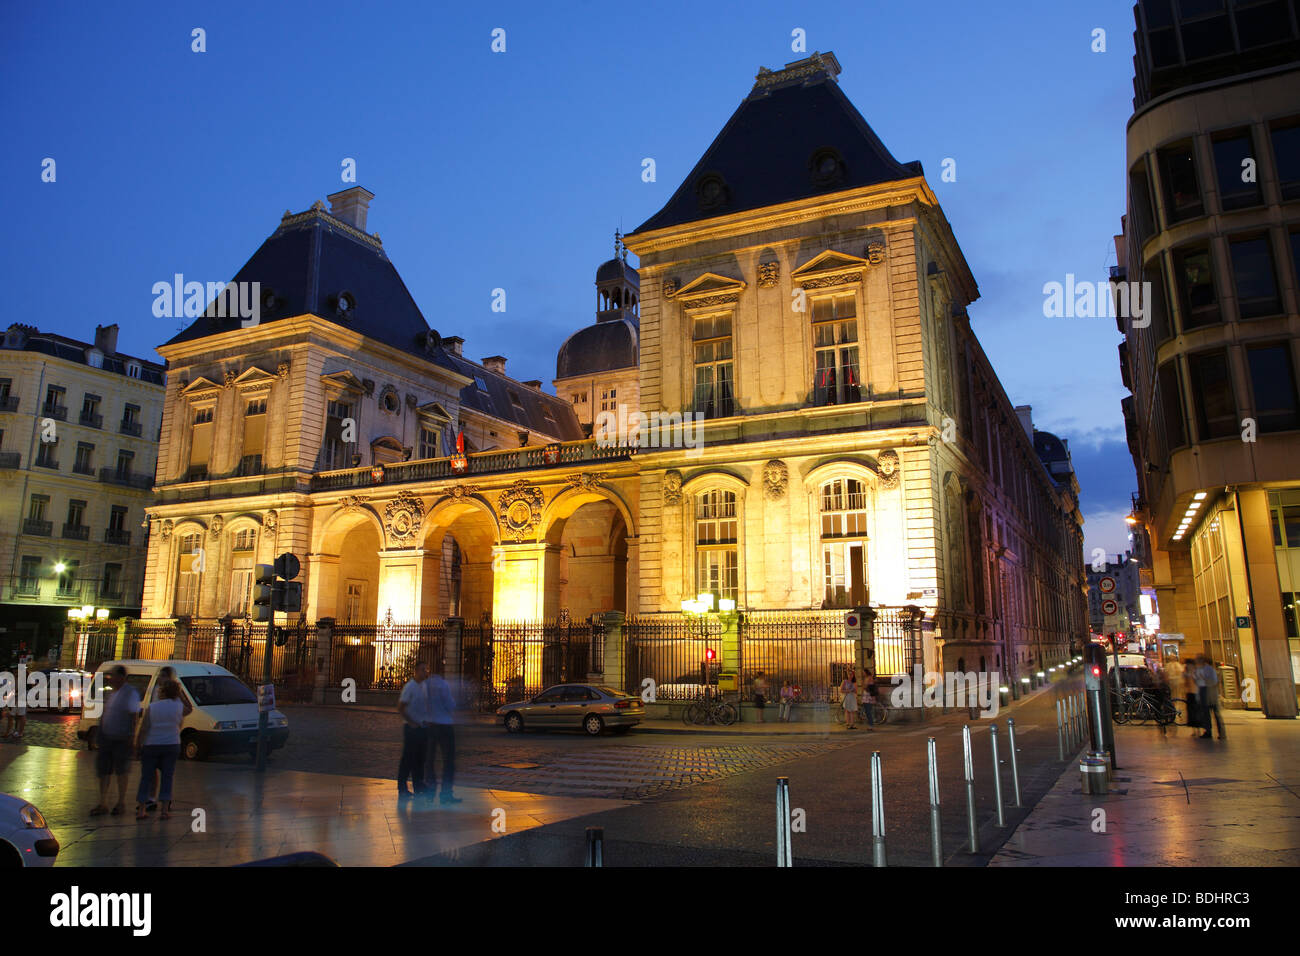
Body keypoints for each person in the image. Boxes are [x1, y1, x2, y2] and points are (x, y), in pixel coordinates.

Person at [91, 666, 141, 816]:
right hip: (107, 737)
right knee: (103, 771)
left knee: (121, 771)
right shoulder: (112, 692)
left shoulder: (130, 693)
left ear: (121, 677)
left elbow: (134, 716)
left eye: (112, 676)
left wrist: (132, 737)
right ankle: (103, 802)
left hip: (121, 738)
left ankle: (121, 802)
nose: (110, 678)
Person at [144, 667, 193, 811]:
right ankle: (152, 798)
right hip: (154, 736)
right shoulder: (155, 690)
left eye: (163, 676)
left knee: (166, 773)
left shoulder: (175, 693)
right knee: (152, 771)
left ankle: (165, 799)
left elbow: (188, 708)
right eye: (160, 675)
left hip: (169, 738)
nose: (160, 678)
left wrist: (175, 716)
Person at [135, 680, 185, 820]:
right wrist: (179, 695)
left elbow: (144, 728)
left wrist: (138, 744)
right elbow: (182, 720)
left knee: (146, 777)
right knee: (167, 778)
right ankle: (164, 810)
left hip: (152, 744)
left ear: (162, 692)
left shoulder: (153, 706)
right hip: (172, 744)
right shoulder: (179, 706)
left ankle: (142, 810)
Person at [424, 663, 461, 804]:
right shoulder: (443, 685)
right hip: (444, 725)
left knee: (429, 760)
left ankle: (430, 790)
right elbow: (450, 704)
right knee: (448, 761)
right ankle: (446, 794)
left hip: (430, 725)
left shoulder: (425, 685)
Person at [397, 661, 430, 800]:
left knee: (420, 758)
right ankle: (402, 787)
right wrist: (411, 722)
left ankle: (418, 784)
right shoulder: (409, 687)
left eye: (426, 670)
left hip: (422, 726)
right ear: (416, 671)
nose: (426, 672)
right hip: (411, 728)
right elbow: (401, 706)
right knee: (408, 758)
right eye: (423, 670)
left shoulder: (424, 686)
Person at [1197, 657, 1226, 740]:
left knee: (1213, 715)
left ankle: (1217, 732)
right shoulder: (1209, 670)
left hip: (1210, 696)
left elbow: (1212, 682)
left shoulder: (1209, 671)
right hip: (1210, 696)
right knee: (1210, 715)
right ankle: (1212, 732)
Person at [861, 667, 878, 732]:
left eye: (863, 672)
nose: (862, 673)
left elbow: (871, 687)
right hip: (865, 696)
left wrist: (873, 697)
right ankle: (870, 725)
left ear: (866, 672)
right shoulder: (866, 678)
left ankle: (871, 725)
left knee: (868, 711)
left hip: (869, 696)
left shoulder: (870, 678)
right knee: (867, 711)